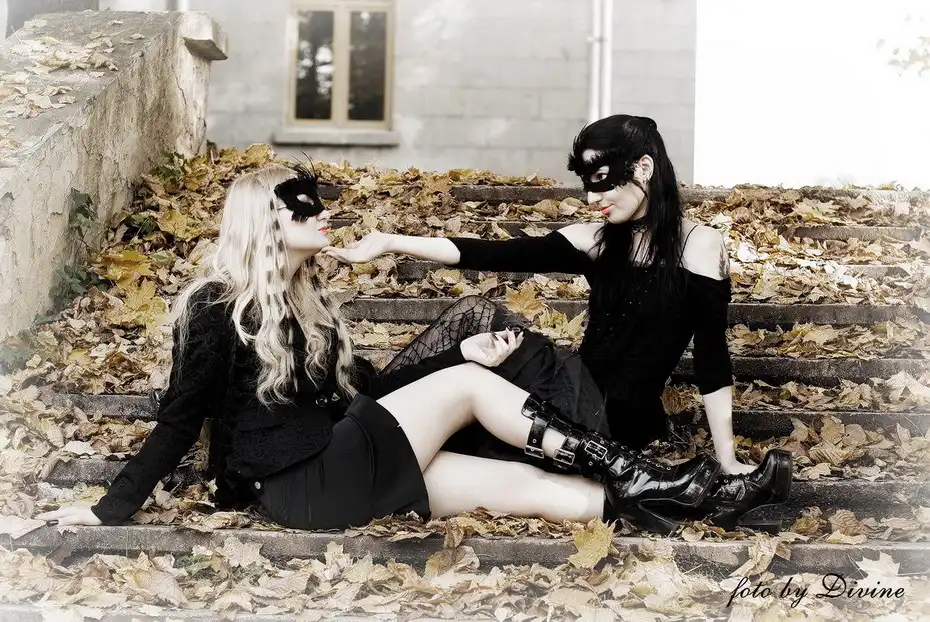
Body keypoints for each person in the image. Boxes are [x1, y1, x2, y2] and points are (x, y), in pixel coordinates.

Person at [37, 163, 722, 536]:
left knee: (540, 490)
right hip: (305, 483)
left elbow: (374, 397)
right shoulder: (216, 306)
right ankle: (636, 470)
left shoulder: (309, 303)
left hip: (349, 466)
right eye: (305, 207)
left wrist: (461, 357)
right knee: (469, 389)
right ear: (265, 222)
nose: (323, 213)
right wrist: (108, 508)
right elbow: (180, 420)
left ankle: (700, 501)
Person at [322, 115, 792, 531]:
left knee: (480, 320)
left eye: (602, 182)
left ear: (644, 168)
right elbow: (490, 254)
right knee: (476, 319)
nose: (591, 197)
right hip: (571, 398)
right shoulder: (595, 240)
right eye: (586, 184)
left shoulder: (702, 246)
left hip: (615, 420)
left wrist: (727, 458)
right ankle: (365, 427)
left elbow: (712, 359)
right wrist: (390, 241)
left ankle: (361, 418)